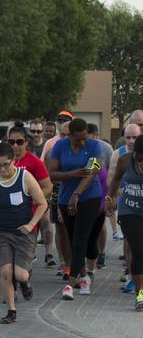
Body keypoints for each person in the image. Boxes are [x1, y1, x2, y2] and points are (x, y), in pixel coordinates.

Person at [0, 143, 48, 323]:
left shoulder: (25, 178)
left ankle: (25, 284)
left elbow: (42, 203)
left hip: (23, 233)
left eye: (6, 164)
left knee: (20, 275)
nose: (2, 169)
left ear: (14, 162)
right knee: (5, 271)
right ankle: (11, 311)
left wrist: (31, 224)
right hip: (1, 233)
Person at [48, 118, 106, 299]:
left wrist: (77, 194)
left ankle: (70, 284)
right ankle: (83, 275)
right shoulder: (60, 146)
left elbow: (92, 170)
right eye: (78, 139)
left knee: (80, 239)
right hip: (65, 200)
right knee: (74, 238)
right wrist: (72, 174)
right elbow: (52, 175)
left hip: (90, 197)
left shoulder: (95, 146)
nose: (82, 142)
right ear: (70, 135)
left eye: (84, 138)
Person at [8, 125, 54, 266]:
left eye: (19, 142)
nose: (15, 145)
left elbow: (48, 187)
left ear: (26, 142)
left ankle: (48, 252)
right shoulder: (4, 162)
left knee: (45, 223)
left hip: (29, 213)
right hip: (8, 214)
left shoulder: (34, 162)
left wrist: (33, 199)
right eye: (11, 142)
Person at [106, 136, 143, 311]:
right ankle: (140, 295)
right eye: (139, 157)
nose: (141, 162)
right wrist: (109, 198)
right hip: (129, 212)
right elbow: (115, 179)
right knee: (139, 252)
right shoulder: (124, 160)